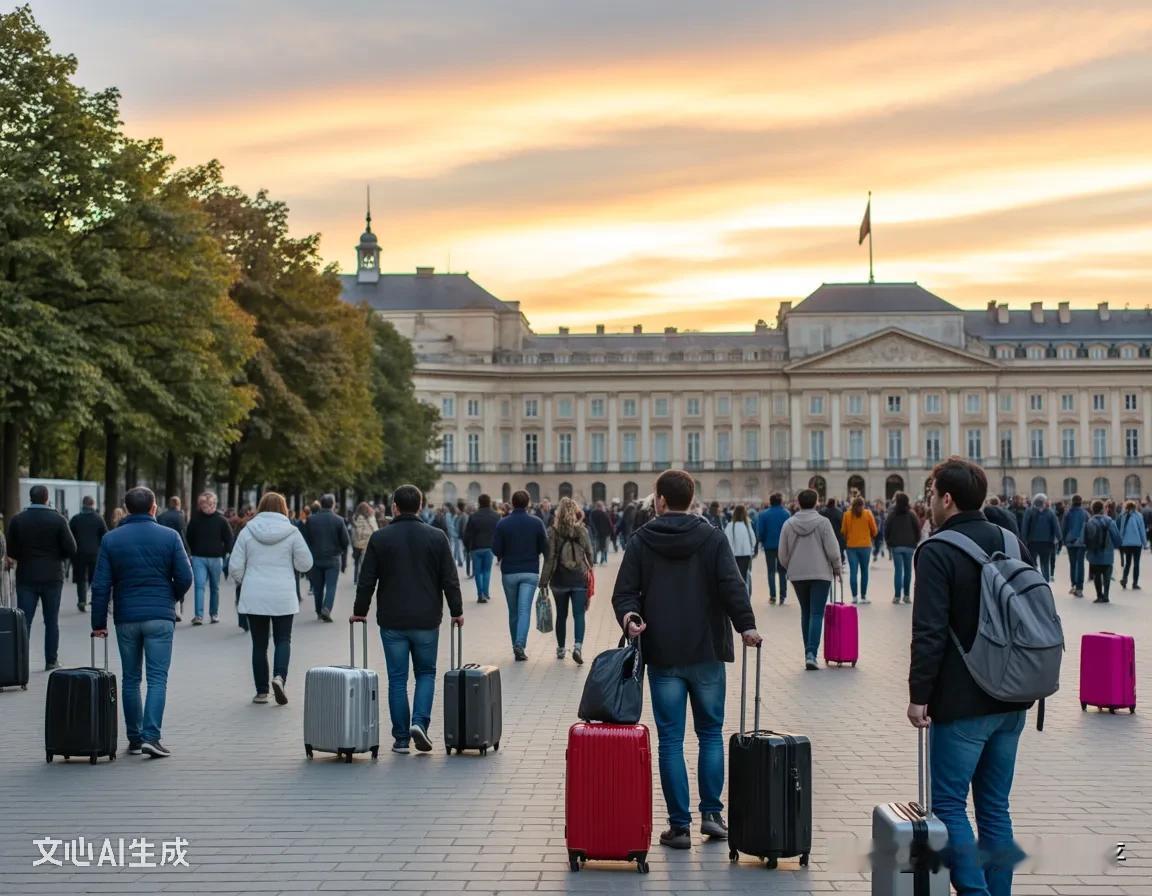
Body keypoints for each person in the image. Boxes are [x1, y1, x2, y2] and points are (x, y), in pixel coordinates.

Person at [613, 470, 760, 850]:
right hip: (706, 651)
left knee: (671, 740)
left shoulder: (642, 540)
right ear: (691, 499)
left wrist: (630, 619)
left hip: (663, 653)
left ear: (660, 500)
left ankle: (679, 827)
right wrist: (746, 626)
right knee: (710, 734)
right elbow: (733, 586)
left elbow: (624, 593)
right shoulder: (712, 537)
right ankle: (712, 815)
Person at [908, 458, 1035, 896]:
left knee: (948, 805)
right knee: (995, 808)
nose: (929, 501)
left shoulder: (937, 550)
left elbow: (928, 631)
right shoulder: (1012, 542)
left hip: (963, 701)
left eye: (931, 494)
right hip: (1014, 696)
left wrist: (919, 694)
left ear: (946, 499)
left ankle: (975, 892)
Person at [352, 484, 462, 754]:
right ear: (421, 506)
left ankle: (401, 739)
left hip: (392, 620)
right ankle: (419, 723)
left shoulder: (380, 538)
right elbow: (450, 579)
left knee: (397, 679)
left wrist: (360, 610)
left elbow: (367, 580)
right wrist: (456, 610)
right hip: (427, 619)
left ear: (394, 507)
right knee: (426, 673)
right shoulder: (437, 537)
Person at [91, 487, 192, 758]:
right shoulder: (170, 536)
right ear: (153, 507)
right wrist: (171, 597)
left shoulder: (111, 539)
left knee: (131, 678)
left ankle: (135, 739)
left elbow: (100, 585)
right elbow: (185, 576)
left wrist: (98, 623)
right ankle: (151, 737)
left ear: (126, 509)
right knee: (157, 678)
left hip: (126, 617)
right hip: (160, 616)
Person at [228, 492, 313, 705]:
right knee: (283, 639)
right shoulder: (292, 532)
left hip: (255, 594)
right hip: (283, 594)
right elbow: (306, 563)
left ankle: (261, 692)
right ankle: (279, 677)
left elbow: (235, 567)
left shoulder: (247, 531)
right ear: (284, 508)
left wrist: (247, 581)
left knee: (259, 644)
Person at [5, 485, 77, 670]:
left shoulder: (18, 520)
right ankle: (51, 660)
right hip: (52, 576)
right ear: (46, 498)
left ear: (31, 498)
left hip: (26, 575)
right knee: (51, 621)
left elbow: (11, 550)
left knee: (24, 621)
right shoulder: (58, 519)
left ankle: (21, 663)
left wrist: (24, 556)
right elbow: (71, 548)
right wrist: (57, 556)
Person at [778, 488, 842, 670]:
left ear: (798, 503)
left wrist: (791, 566)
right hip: (821, 574)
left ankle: (808, 652)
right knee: (816, 613)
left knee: (805, 612)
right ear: (816, 502)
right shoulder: (823, 523)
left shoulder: (789, 524)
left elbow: (782, 554)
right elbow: (832, 549)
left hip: (797, 574)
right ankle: (811, 654)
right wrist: (837, 567)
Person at [492, 490, 548, 661]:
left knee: (513, 612)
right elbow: (545, 548)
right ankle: (520, 644)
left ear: (512, 503)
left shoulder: (503, 523)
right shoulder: (537, 522)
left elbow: (496, 550)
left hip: (509, 572)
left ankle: (515, 645)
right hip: (530, 571)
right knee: (524, 611)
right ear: (528, 503)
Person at [538, 497, 594, 663]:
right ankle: (577, 647)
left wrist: (543, 581)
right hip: (579, 579)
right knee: (579, 614)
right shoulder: (582, 531)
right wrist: (589, 568)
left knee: (561, 615)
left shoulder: (553, 532)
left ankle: (561, 648)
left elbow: (549, 559)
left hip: (559, 580)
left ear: (559, 513)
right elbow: (590, 553)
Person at [185, 492, 233, 625]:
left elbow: (229, 538)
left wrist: (226, 553)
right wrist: (191, 552)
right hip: (198, 557)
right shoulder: (195, 520)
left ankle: (214, 614)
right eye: (206, 504)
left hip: (216, 558)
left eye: (212, 504)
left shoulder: (222, 520)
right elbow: (188, 537)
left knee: (214, 587)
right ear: (200, 505)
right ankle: (198, 616)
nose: (210, 507)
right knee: (199, 586)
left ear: (215, 504)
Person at [303, 494, 350, 622]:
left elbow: (306, 539)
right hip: (333, 558)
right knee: (331, 586)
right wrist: (340, 551)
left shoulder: (311, 520)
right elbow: (346, 541)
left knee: (317, 588)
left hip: (316, 558)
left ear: (321, 504)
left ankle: (319, 611)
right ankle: (327, 608)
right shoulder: (338, 520)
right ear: (333, 504)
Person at [69, 496, 107, 613]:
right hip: (95, 553)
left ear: (83, 504)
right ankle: (93, 600)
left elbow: (69, 536)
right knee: (93, 578)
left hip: (79, 553)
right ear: (93, 504)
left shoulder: (76, 519)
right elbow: (105, 535)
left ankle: (82, 600)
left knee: (81, 578)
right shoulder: (98, 519)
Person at [884, 492, 920, 604]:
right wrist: (916, 541)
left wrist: (888, 542)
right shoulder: (912, 514)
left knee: (898, 571)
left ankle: (897, 596)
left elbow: (887, 528)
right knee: (908, 571)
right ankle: (907, 595)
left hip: (896, 546)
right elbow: (917, 529)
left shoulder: (892, 514)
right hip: (909, 545)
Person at [754, 493, 790, 605]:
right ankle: (783, 595)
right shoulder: (786, 514)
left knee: (771, 571)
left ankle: (773, 595)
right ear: (781, 502)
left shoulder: (763, 514)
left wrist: (762, 541)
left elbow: (760, 531)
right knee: (782, 571)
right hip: (783, 546)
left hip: (769, 545)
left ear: (770, 502)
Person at [463, 493, 500, 603]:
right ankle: (486, 593)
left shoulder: (473, 516)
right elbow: (499, 533)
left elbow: (467, 534)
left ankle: (480, 594)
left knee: (478, 572)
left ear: (479, 502)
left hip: (475, 547)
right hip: (489, 547)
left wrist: (467, 547)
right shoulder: (496, 516)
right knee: (487, 571)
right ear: (489, 502)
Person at [840, 496, 878, 604]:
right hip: (865, 546)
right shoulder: (868, 513)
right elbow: (874, 531)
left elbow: (843, 531)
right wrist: (869, 536)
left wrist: (849, 538)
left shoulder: (847, 515)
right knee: (864, 571)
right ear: (863, 505)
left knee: (853, 572)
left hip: (851, 547)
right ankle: (864, 596)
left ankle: (854, 597)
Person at [1085, 500, 1122, 603]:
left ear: (1092, 509)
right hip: (1107, 553)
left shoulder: (1090, 522)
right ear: (1103, 509)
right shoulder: (1109, 521)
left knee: (1096, 575)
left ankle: (1099, 595)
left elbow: (1086, 538)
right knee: (1107, 575)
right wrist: (1117, 545)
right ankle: (1106, 595)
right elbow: (1117, 538)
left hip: (1094, 553)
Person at [1021, 493, 1059, 583]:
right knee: (1045, 564)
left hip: (1032, 542)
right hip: (1047, 543)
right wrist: (1059, 540)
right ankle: (1046, 582)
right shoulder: (1050, 513)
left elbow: (1025, 527)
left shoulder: (1029, 512)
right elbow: (1056, 527)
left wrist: (1023, 540)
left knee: (1032, 563)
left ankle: (1034, 581)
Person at [723, 505, 757, 597]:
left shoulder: (730, 526)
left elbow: (726, 540)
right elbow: (753, 540)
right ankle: (745, 596)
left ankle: (736, 595)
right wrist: (751, 549)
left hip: (733, 555)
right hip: (746, 554)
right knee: (745, 576)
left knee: (734, 577)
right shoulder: (747, 525)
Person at [1060, 495, 1088, 598]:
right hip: (1081, 542)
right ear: (1081, 502)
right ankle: (1079, 588)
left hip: (1070, 541)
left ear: (1072, 501)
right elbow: (1088, 527)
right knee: (1080, 564)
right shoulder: (1085, 514)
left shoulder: (1068, 513)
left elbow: (1063, 527)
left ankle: (1073, 584)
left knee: (1072, 564)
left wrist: (1063, 540)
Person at [1118, 500, 1147, 590]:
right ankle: (1135, 583)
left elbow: (1121, 530)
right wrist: (1144, 543)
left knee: (1127, 563)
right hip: (1136, 543)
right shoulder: (1139, 516)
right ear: (1134, 507)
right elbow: (1142, 530)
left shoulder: (1123, 516)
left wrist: (1120, 542)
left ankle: (1124, 579)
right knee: (1136, 564)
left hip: (1126, 544)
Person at [350, 502, 378, 585]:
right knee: (364, 562)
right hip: (366, 543)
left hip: (357, 544)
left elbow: (357, 532)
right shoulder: (368, 517)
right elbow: (374, 530)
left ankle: (356, 579)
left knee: (357, 562)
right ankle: (361, 579)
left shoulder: (357, 517)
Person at [820, 497, 846, 563]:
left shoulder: (822, 511)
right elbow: (843, 524)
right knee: (839, 551)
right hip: (838, 535)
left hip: (825, 535)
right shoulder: (839, 512)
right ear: (835, 503)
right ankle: (840, 562)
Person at [588, 501, 613, 565]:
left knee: (595, 547)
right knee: (604, 547)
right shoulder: (605, 514)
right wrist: (611, 532)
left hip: (596, 533)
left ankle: (595, 560)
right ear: (601, 506)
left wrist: (594, 531)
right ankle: (603, 559)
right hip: (605, 533)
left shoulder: (592, 514)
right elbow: (609, 524)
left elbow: (590, 523)